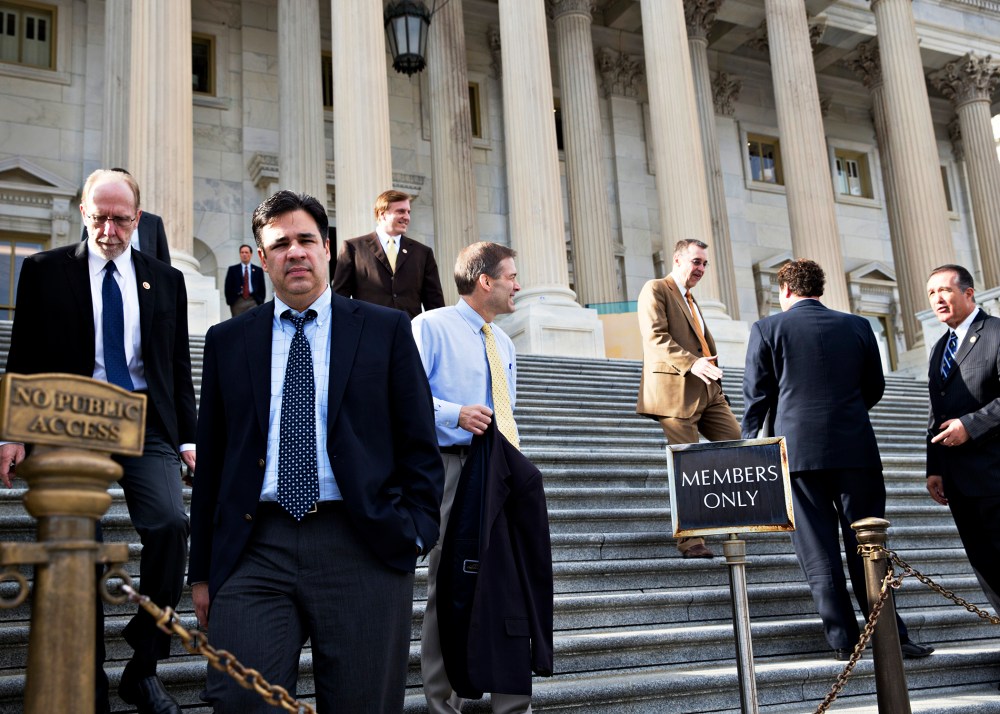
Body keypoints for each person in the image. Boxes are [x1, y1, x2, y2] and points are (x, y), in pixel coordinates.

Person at [188, 190, 444, 713]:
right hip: (255, 544)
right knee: (240, 702)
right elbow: (212, 460)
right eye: (280, 244)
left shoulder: (386, 330)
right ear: (262, 258)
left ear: (326, 247)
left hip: (361, 542)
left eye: (306, 239)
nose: (295, 252)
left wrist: (414, 531)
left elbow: (419, 441)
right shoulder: (227, 341)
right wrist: (202, 571)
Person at [2, 168, 196, 713]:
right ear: (82, 212)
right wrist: (12, 433)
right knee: (75, 542)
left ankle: (143, 663)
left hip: (144, 421)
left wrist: (188, 438)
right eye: (99, 216)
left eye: (121, 218)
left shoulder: (167, 278)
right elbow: (24, 355)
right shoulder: (43, 270)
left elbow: (176, 366)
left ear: (139, 218)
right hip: (69, 420)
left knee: (170, 524)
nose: (109, 228)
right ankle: (84, 675)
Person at [742, 258, 933, 661]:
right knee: (869, 546)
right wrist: (847, 413)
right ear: (820, 289)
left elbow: (756, 397)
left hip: (796, 456)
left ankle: (844, 641)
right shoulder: (859, 326)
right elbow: (874, 387)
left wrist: (748, 444)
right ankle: (892, 637)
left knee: (818, 551)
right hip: (855, 450)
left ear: (785, 291)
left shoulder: (767, 328)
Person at [411, 242, 552, 714]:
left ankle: (513, 707)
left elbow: (507, 413)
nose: (519, 285)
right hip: (451, 470)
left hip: (502, 474)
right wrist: (454, 414)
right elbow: (400, 401)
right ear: (485, 281)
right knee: (448, 585)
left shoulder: (505, 342)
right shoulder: (429, 327)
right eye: (511, 276)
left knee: (511, 583)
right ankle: (441, 705)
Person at [635, 239, 739, 559]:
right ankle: (691, 540)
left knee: (735, 443)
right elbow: (655, 337)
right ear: (678, 260)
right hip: (674, 392)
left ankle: (732, 515)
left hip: (709, 391)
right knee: (688, 465)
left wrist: (715, 381)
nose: (701, 269)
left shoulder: (693, 300)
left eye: (705, 264)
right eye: (696, 262)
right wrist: (693, 363)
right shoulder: (656, 289)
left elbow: (702, 344)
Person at [925, 264, 1000, 607]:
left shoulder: (996, 332)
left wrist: (971, 425)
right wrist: (934, 467)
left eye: (945, 290)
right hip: (959, 480)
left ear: (969, 294)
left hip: (995, 474)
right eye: (931, 293)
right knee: (986, 567)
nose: (937, 299)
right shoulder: (940, 348)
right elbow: (936, 412)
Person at [332, 189, 445, 318]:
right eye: (401, 211)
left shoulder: (423, 253)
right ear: (382, 214)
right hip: (369, 331)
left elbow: (435, 303)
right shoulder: (354, 248)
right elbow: (340, 299)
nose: (407, 217)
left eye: (408, 212)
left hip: (409, 332)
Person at [79, 168, 171, 264]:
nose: (109, 232)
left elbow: (164, 261)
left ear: (137, 218)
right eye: (99, 217)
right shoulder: (64, 267)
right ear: (84, 215)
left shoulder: (153, 222)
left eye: (121, 219)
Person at [223, 243, 266, 316]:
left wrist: (260, 300)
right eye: (242, 252)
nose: (244, 254)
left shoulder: (258, 270)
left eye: (246, 252)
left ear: (251, 254)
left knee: (253, 324)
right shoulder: (232, 270)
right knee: (238, 325)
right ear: (240, 254)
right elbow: (228, 287)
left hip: (253, 301)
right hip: (237, 302)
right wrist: (231, 301)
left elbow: (262, 288)